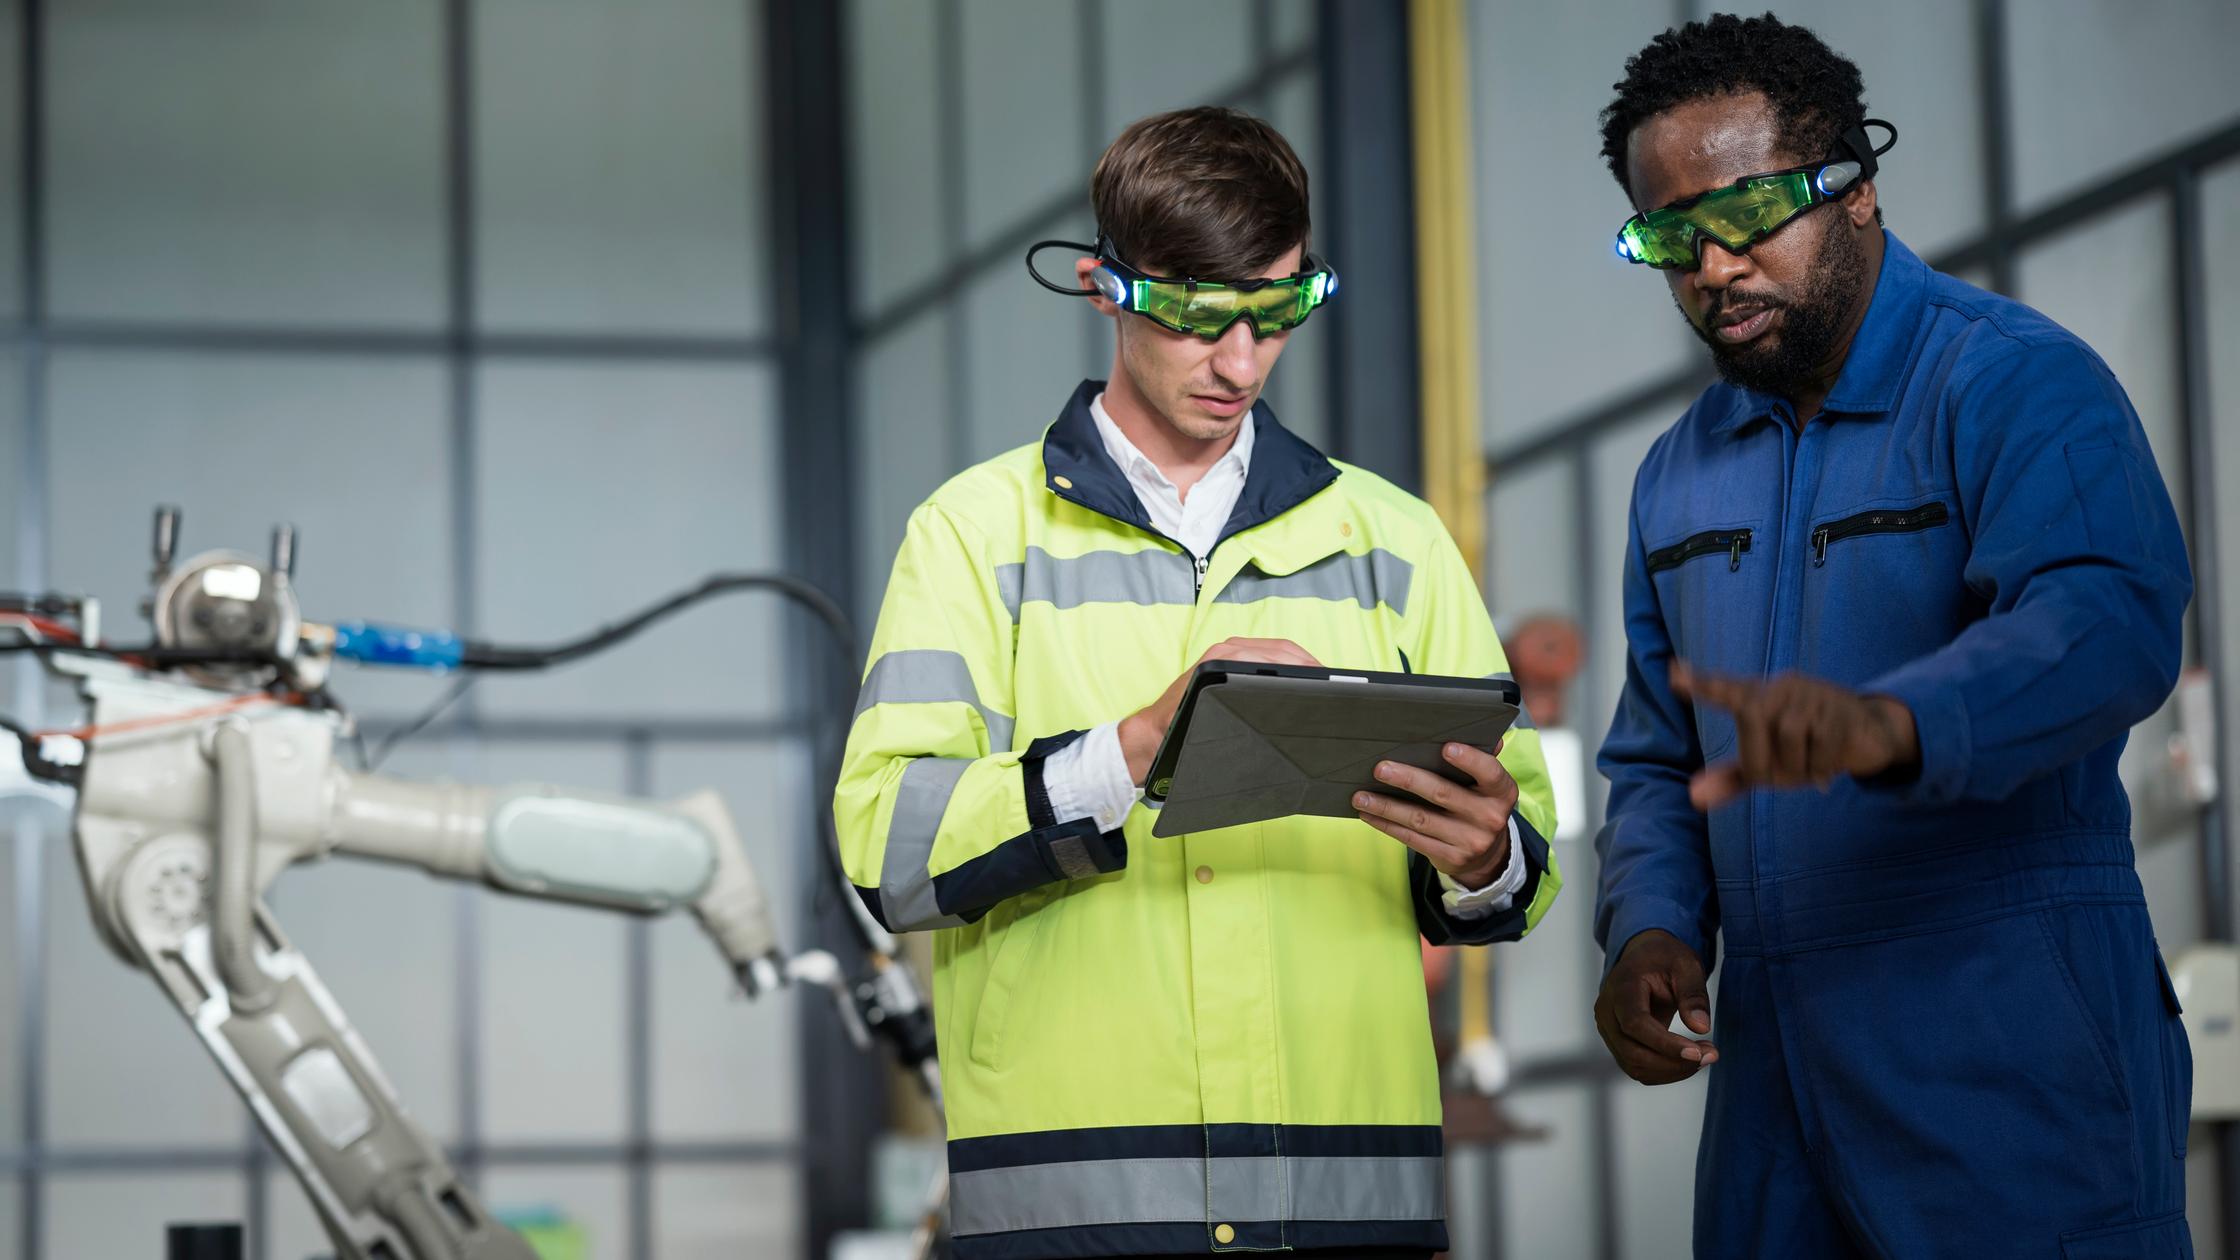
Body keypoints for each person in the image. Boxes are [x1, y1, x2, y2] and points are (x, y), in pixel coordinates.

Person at [836, 106, 1559, 1260]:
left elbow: (1522, 860)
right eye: (1200, 321)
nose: (1240, 362)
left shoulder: (1394, 540)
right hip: (1071, 1212)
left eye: (1277, 314)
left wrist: (1484, 857)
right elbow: (886, 848)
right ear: (1102, 289)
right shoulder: (974, 537)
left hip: (1345, 1210)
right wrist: (1130, 748)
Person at [1589, 15, 2195, 1258]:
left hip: (2006, 1046)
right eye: (1669, 236)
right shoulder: (1675, 474)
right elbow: (1655, 755)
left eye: (1748, 214)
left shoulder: (2012, 381)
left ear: (1856, 189)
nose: (1711, 266)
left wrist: (1897, 722)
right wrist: (1648, 925)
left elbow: (2105, 619)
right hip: (1774, 1082)